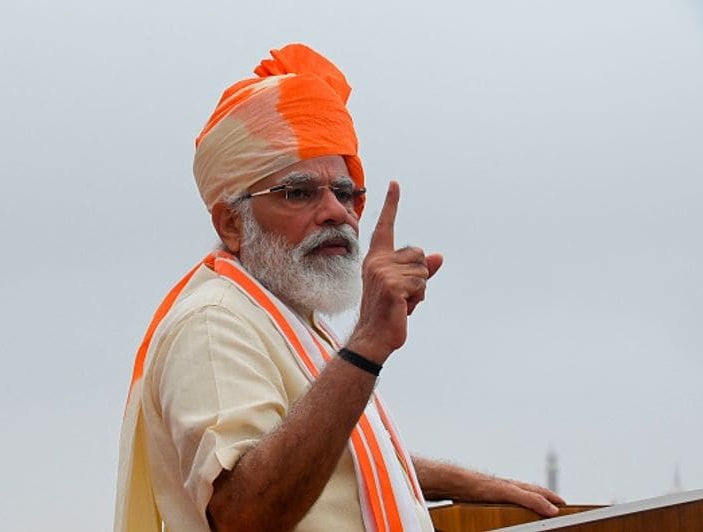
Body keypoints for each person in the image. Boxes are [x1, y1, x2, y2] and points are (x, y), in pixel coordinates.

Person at [115, 43, 564, 532]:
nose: (335, 212)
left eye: (345, 191)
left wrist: (465, 483)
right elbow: (245, 511)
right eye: (299, 192)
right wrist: (368, 343)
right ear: (231, 225)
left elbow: (333, 459)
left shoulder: (291, 318)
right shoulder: (215, 323)